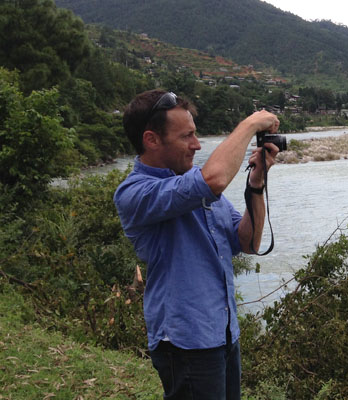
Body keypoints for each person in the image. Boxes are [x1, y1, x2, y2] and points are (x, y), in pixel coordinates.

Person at [114, 89, 280, 399]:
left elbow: (247, 240)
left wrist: (256, 182)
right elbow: (215, 179)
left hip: (223, 331)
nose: (197, 144)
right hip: (186, 342)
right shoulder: (136, 192)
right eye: (187, 136)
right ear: (151, 140)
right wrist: (250, 124)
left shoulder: (193, 180)